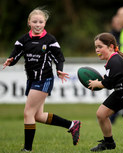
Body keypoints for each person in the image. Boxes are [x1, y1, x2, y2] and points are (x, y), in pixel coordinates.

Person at [3, 8, 81, 152]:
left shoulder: (50, 40)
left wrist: (59, 69)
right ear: (29, 23)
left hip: (44, 79)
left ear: (45, 23)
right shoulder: (23, 40)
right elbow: (15, 54)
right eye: (35, 21)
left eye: (40, 22)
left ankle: (27, 149)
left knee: (28, 113)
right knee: (37, 115)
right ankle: (72, 125)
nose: (37, 24)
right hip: (32, 80)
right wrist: (10, 61)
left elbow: (59, 57)